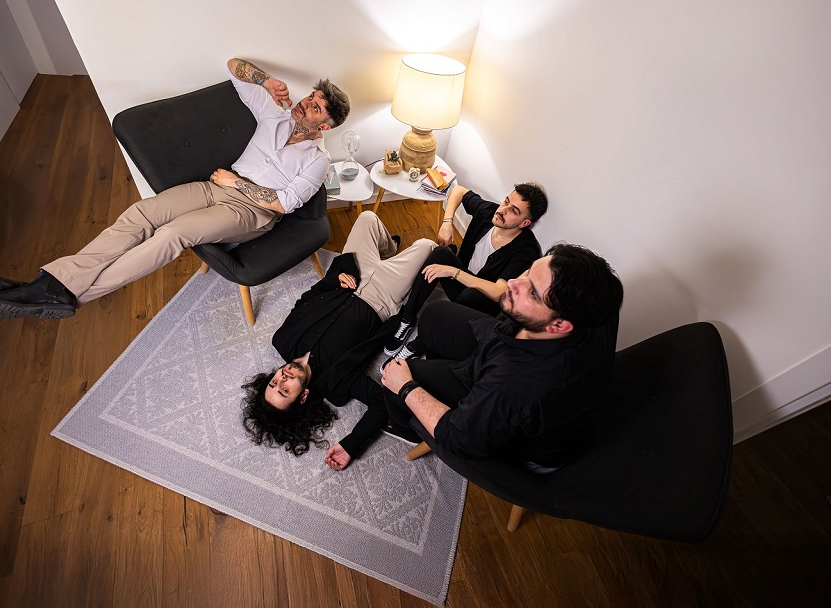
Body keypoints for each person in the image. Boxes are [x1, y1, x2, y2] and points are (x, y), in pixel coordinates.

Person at [0, 58, 350, 319]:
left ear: (325, 126)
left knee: (172, 234)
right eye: (310, 97)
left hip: (251, 212)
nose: (305, 104)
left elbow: (282, 205)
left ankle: (65, 294)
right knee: (142, 213)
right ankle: (48, 286)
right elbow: (233, 65)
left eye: (315, 108)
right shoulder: (273, 113)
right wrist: (267, 80)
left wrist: (236, 183)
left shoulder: (318, 161)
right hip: (215, 186)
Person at [380, 243, 624, 470]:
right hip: (509, 349)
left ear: (559, 325)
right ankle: (447, 380)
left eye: (532, 293)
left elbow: (460, 439)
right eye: (528, 272)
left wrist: (406, 388)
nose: (514, 283)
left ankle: (408, 429)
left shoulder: (517, 385)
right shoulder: (596, 302)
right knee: (435, 315)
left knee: (396, 378)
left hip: (508, 432)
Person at [241, 210, 437, 470]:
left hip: (351, 275)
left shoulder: (283, 340)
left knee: (367, 218)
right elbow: (381, 403)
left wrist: (333, 280)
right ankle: (392, 260)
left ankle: (389, 252)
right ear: (303, 397)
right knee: (428, 246)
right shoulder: (335, 384)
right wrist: (351, 445)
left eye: (274, 382)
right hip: (381, 296)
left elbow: (305, 300)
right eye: (285, 390)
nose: (282, 378)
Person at [382, 182, 547, 358]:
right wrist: (447, 222)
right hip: (461, 282)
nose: (503, 210)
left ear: (525, 223)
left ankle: (421, 342)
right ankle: (407, 319)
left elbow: (499, 292)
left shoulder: (526, 251)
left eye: (513, 211)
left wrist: (453, 272)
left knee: (471, 294)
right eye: (506, 201)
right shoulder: (490, 213)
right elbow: (458, 191)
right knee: (441, 254)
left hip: (482, 302)